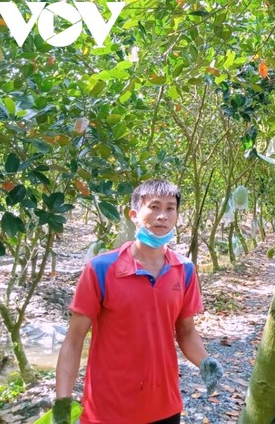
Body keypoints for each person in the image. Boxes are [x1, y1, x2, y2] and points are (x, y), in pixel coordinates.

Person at [52, 179, 223, 424]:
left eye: (170, 208)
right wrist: (62, 401)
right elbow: (74, 340)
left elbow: (186, 332)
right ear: (134, 214)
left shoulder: (184, 270)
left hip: (165, 407)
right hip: (107, 410)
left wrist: (205, 362)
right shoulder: (101, 269)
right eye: (154, 207)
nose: (162, 216)